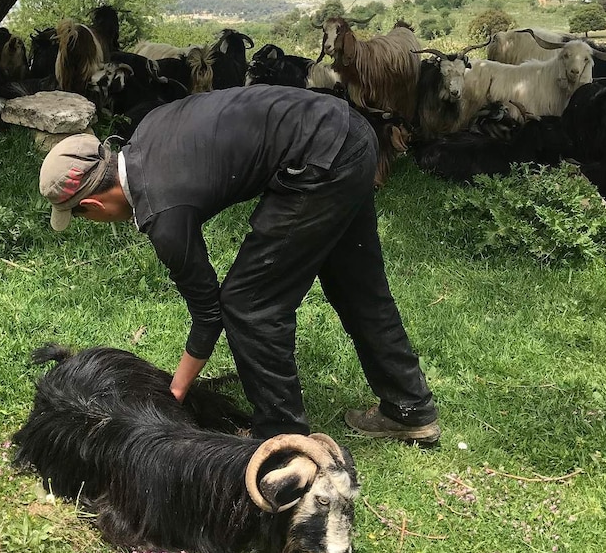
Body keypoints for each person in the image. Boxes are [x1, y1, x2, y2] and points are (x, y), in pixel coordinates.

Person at [38, 86, 439, 445]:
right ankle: (410, 408)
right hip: (348, 130)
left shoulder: (165, 214)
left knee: (250, 304)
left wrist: (173, 394)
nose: (91, 221)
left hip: (320, 161)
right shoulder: (149, 130)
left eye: (82, 217)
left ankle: (281, 437)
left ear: (91, 204)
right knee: (356, 285)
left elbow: (209, 313)